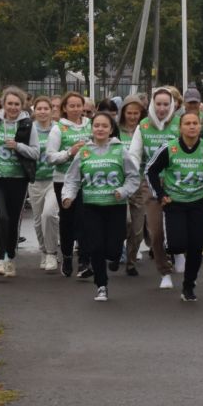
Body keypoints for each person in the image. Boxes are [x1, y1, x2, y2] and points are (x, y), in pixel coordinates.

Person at [65, 109, 141, 301]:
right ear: (92, 129)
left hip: (115, 205)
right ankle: (101, 285)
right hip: (91, 205)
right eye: (96, 125)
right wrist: (68, 196)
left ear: (111, 129)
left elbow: (133, 176)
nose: (100, 129)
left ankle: (115, 257)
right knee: (96, 246)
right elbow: (72, 178)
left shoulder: (120, 150)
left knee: (114, 248)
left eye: (104, 126)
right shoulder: (84, 152)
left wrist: (123, 191)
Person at [147, 105, 203, 301]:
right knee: (177, 244)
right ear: (180, 127)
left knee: (196, 245)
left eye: (195, 123)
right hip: (175, 202)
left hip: (199, 203)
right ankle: (175, 256)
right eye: (187, 123)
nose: (192, 127)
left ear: (200, 126)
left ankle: (189, 285)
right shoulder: (170, 148)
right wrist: (160, 195)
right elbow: (150, 171)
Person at [0, 87, 35, 278]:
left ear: (22, 106)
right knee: (1, 217)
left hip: (18, 180)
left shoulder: (28, 124)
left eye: (17, 104)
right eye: (9, 103)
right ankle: (0, 258)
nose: (13, 107)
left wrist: (18, 146)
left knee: (12, 221)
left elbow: (35, 152)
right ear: (4, 103)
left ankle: (10, 257)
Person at [137, 86, 184, 273]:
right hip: (151, 184)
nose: (162, 108)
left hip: (177, 182)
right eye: (158, 104)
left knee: (178, 226)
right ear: (152, 105)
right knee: (156, 232)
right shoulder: (143, 125)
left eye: (166, 104)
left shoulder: (180, 123)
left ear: (172, 105)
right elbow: (134, 154)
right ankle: (163, 268)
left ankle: (179, 252)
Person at [20, 96, 69, 274]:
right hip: (35, 180)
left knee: (49, 214)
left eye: (45, 108)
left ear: (51, 110)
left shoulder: (58, 129)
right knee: (38, 220)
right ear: (34, 111)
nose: (42, 111)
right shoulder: (28, 129)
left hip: (54, 179)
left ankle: (51, 253)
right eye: (39, 108)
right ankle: (43, 251)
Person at [53, 91, 89, 275]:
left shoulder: (90, 125)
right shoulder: (58, 128)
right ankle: (67, 257)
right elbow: (50, 157)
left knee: (84, 219)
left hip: (87, 180)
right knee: (67, 220)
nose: (76, 109)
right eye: (72, 106)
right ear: (64, 108)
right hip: (63, 180)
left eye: (78, 105)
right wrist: (69, 152)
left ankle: (84, 260)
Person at [116, 97, 151, 270]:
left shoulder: (145, 130)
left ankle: (131, 261)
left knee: (137, 230)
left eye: (136, 113)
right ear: (123, 113)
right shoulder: (115, 131)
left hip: (140, 183)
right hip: (120, 184)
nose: (132, 116)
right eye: (129, 113)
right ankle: (117, 249)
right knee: (126, 221)